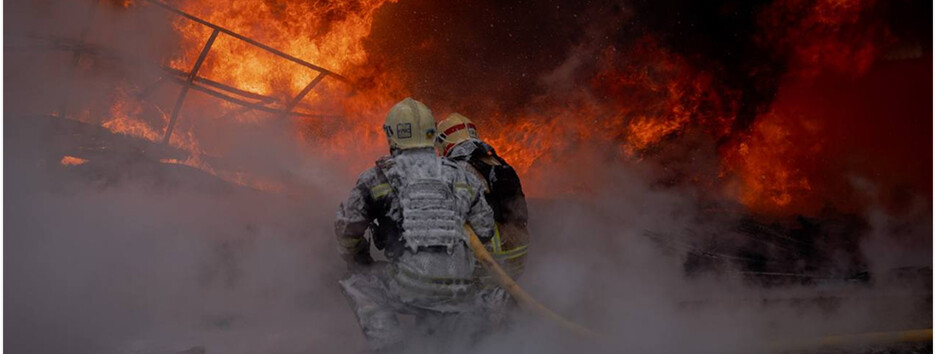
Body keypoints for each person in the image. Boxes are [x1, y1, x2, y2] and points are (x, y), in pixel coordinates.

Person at [335, 98, 496, 353]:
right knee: (457, 298)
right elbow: (486, 230)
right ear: (432, 133)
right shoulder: (461, 175)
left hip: (409, 287)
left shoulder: (376, 178)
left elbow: (347, 228)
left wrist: (361, 260)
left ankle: (391, 345)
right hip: (461, 289)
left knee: (355, 282)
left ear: (391, 135)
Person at [435, 113, 530, 281]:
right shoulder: (497, 162)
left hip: (489, 259)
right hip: (518, 254)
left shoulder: (458, 167)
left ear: (445, 141)